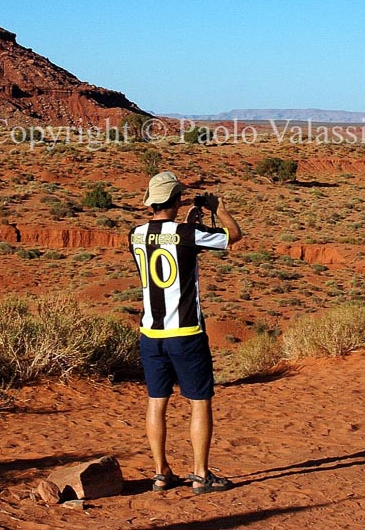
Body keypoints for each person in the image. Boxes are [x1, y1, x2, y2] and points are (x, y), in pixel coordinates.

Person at [129, 170, 243, 495]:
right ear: (177, 199)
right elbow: (232, 236)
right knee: (199, 401)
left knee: (156, 401)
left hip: (151, 334)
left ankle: (161, 473)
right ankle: (200, 474)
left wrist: (189, 224)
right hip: (186, 332)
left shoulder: (134, 235)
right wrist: (218, 208)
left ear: (152, 202)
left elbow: (165, 242)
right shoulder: (187, 233)